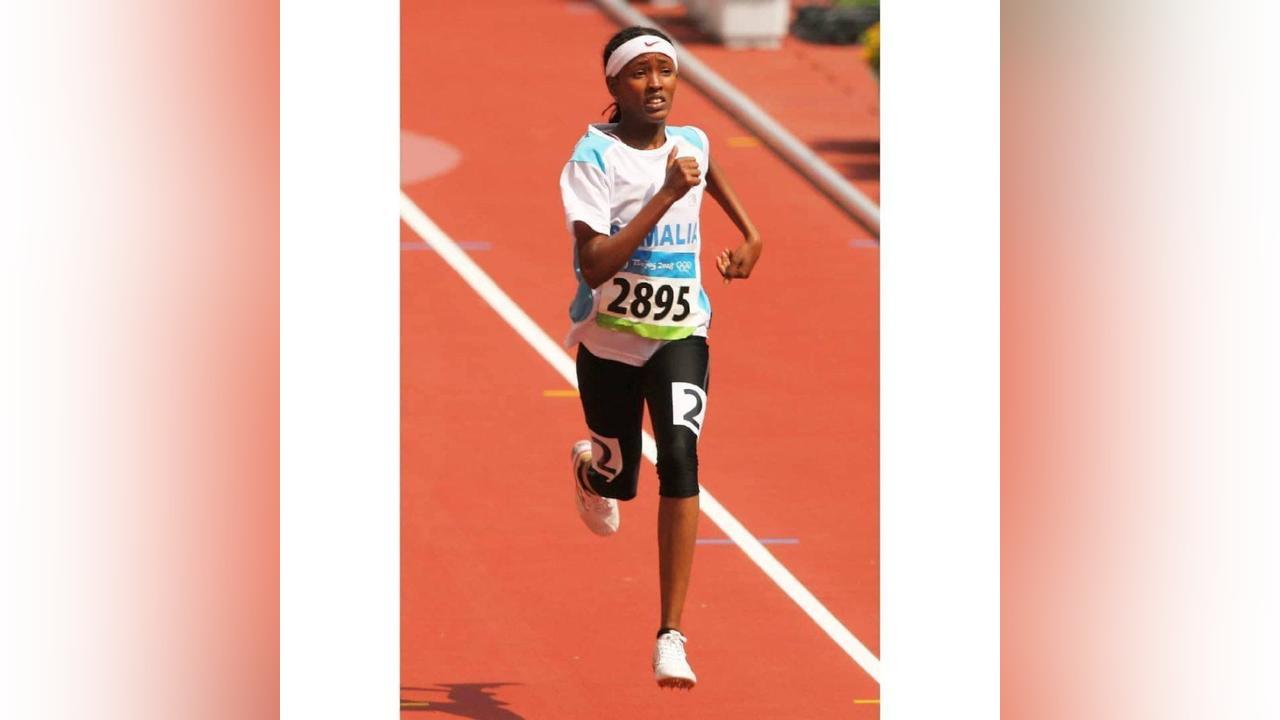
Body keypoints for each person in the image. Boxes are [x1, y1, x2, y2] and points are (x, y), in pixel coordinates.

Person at [557, 25, 763, 690]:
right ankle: (591, 471)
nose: (655, 84)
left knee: (679, 458)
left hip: (681, 336)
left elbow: (707, 168)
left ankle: (670, 635)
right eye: (639, 72)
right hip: (609, 344)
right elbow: (595, 262)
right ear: (614, 85)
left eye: (665, 71)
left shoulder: (691, 143)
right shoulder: (593, 159)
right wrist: (666, 195)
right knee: (621, 482)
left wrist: (751, 235)